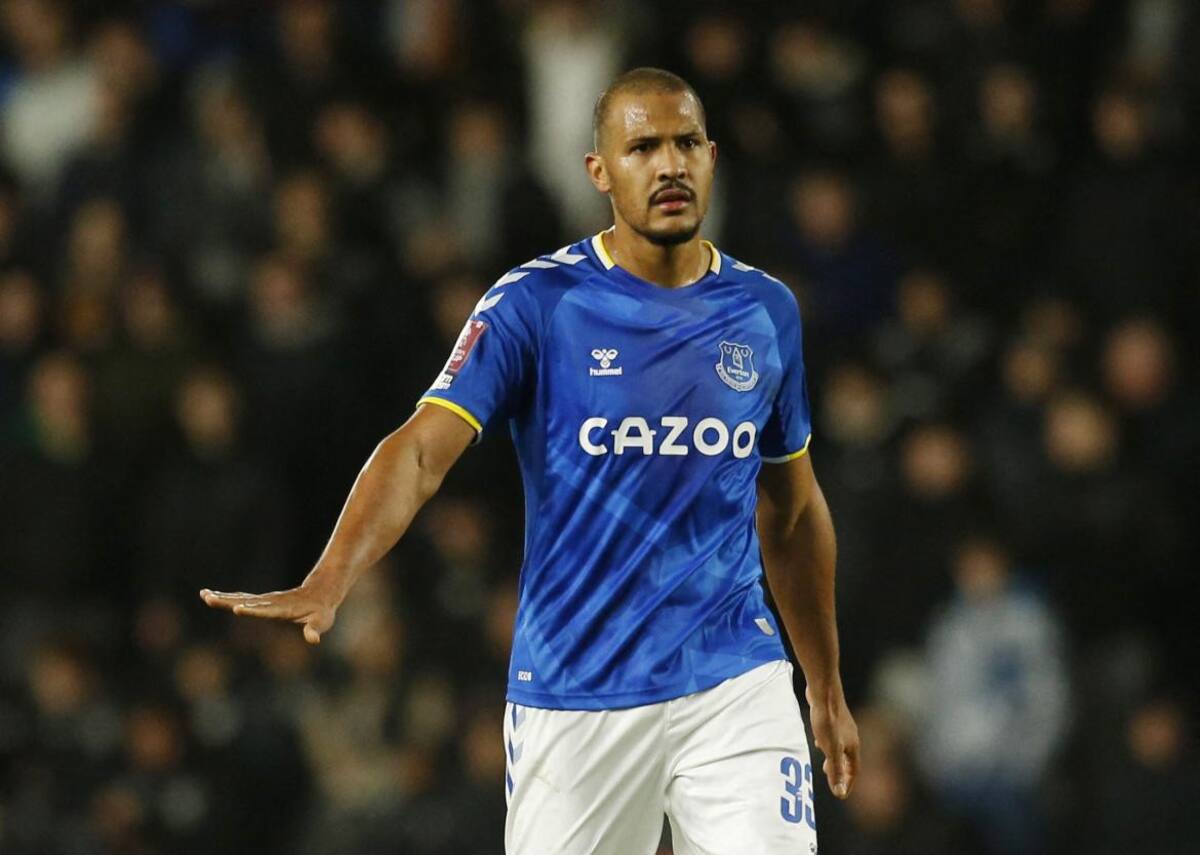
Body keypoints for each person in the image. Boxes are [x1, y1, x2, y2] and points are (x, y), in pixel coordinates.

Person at [201, 67, 859, 854]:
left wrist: (821, 678)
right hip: (574, 693)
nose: (670, 164)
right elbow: (418, 451)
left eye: (686, 143)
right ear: (600, 171)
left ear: (713, 157)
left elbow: (790, 511)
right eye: (643, 146)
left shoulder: (765, 311)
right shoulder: (537, 305)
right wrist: (331, 575)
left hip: (733, 676)